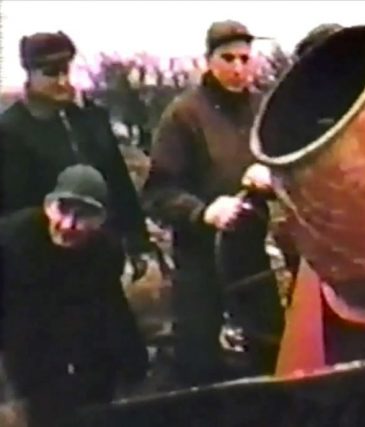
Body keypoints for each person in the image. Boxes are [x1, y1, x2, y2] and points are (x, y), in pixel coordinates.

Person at [144, 20, 284, 385]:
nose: (238, 68)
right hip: (200, 259)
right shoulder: (184, 114)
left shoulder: (262, 109)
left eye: (244, 58)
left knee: (270, 348)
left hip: (252, 254)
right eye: (228, 59)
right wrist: (203, 211)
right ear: (208, 61)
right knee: (200, 359)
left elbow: (287, 167)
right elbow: (158, 193)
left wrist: (272, 179)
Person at [0, 165, 148, 427]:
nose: (68, 225)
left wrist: (135, 367)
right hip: (19, 344)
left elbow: (112, 309)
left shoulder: (105, 252)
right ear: (48, 207)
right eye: (63, 210)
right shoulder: (12, 240)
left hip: (74, 349)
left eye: (83, 216)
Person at [0, 31, 153, 278]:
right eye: (50, 73)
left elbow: (119, 182)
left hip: (102, 257)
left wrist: (137, 242)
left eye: (65, 71)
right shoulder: (11, 130)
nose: (62, 81)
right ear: (30, 74)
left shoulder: (91, 119)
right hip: (43, 267)